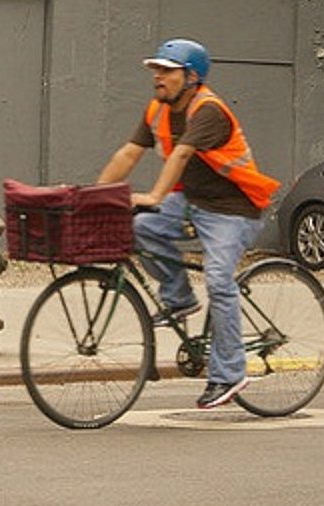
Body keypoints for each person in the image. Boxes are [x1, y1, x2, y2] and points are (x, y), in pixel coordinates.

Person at [97, 38, 280, 409]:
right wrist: (96, 196)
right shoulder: (158, 111)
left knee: (217, 279)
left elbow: (180, 155)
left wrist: (153, 198)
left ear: (192, 77)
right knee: (140, 228)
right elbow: (129, 153)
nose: (158, 77)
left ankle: (230, 374)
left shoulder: (208, 110)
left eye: (167, 70)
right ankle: (179, 299)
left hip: (233, 209)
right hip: (191, 201)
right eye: (156, 70)